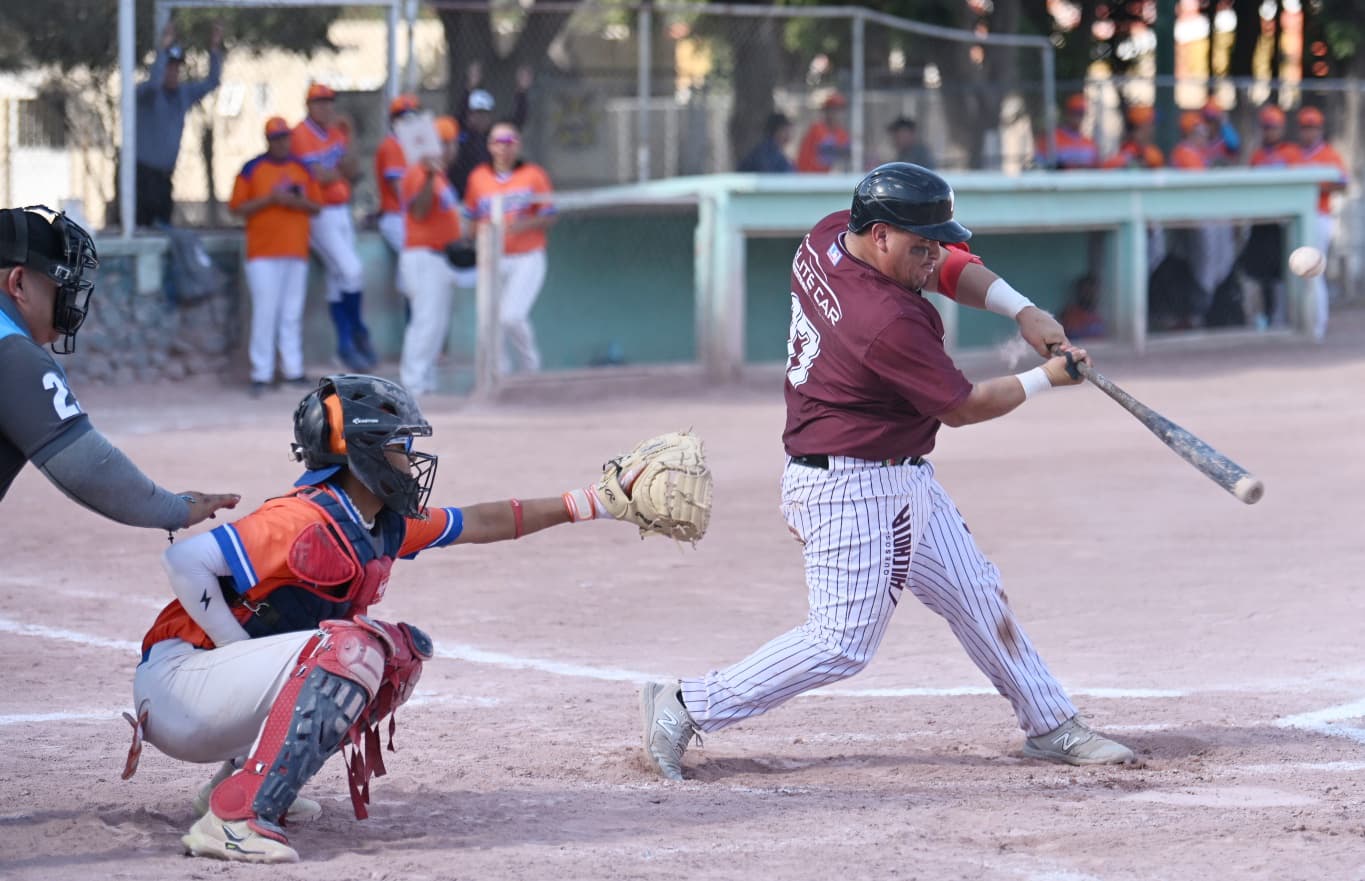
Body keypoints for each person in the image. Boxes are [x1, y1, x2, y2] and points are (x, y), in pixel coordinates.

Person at [639, 163, 1135, 782]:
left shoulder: (828, 234)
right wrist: (1048, 380)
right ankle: (685, 704)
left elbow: (950, 266)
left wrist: (1022, 309)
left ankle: (1051, 724)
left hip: (894, 473)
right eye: (917, 247)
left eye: (933, 244)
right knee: (841, 643)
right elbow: (961, 407)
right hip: (853, 487)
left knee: (977, 594)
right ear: (878, 235)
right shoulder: (884, 321)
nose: (931, 260)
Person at [132, 373, 658, 863]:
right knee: (351, 649)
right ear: (361, 454)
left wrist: (594, 502)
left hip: (216, 693)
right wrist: (230, 645)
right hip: (183, 687)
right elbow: (186, 560)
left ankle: (244, 782)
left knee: (396, 655)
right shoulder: (302, 517)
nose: (411, 459)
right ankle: (233, 822)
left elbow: (481, 520)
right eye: (399, 446)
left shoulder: (376, 521)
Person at [0, 206, 238, 528]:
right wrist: (177, 509)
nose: (68, 298)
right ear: (18, 283)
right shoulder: (13, 352)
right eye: (60, 285)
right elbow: (87, 468)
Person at [230, 117, 323, 397]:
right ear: (268, 140)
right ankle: (262, 372)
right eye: (276, 138)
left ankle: (292, 371)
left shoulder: (302, 168)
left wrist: (293, 201)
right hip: (262, 252)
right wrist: (270, 199)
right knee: (265, 311)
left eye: (284, 137)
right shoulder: (252, 168)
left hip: (295, 250)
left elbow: (316, 205)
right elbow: (236, 207)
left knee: (291, 313)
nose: (281, 142)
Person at [291, 83, 376, 371]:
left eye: (329, 102)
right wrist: (336, 171)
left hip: (342, 210)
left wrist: (348, 137)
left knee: (338, 280)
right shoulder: (300, 135)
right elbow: (317, 176)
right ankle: (357, 329)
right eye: (319, 102)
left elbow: (351, 169)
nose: (326, 107)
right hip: (318, 213)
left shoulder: (337, 132)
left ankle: (345, 347)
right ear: (309, 106)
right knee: (352, 270)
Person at [463, 121, 556, 374]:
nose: (503, 148)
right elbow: (471, 219)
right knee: (489, 325)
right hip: (492, 258)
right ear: (489, 146)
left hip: (527, 255)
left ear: (518, 145)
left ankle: (530, 370)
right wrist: (471, 239)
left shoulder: (533, 174)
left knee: (511, 316)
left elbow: (549, 215)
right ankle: (498, 379)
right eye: (498, 142)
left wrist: (521, 224)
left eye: (509, 142)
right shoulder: (478, 178)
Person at [133, 20, 224, 227]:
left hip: (165, 177)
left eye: (176, 68)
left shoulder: (183, 94)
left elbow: (212, 82)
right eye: (168, 68)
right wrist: (163, 50)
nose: (173, 73)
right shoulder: (146, 94)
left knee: (164, 229)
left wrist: (214, 49)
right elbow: (154, 83)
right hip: (142, 176)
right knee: (141, 228)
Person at [399, 116, 464, 395]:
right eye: (449, 144)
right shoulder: (419, 172)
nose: (453, 150)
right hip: (423, 255)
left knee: (436, 324)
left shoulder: (439, 176)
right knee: (425, 322)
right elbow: (419, 211)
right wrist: (428, 177)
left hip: (440, 257)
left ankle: (424, 380)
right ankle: (412, 384)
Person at [1242, 106, 1303, 330]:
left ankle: (1285, 317)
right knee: (1259, 272)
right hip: (1261, 221)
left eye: (1273, 127)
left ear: (1282, 128)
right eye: (1266, 127)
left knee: (1284, 272)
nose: (1269, 132)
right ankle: (1263, 318)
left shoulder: (1291, 153)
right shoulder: (1257, 155)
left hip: (1283, 222)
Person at [1295, 106, 1347, 341]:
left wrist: (1318, 185)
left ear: (1320, 130)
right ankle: (1301, 323)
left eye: (1313, 128)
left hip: (1319, 217)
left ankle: (1318, 325)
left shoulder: (1329, 154)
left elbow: (1344, 184)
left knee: (1313, 273)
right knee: (1299, 274)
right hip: (1295, 220)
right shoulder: (1293, 154)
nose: (1309, 133)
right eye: (1305, 128)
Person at [449, 62, 532, 198]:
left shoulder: (494, 133)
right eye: (476, 113)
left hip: (488, 193)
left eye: (484, 113)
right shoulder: (461, 131)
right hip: (460, 192)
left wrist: (522, 91)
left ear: (490, 115)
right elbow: (459, 114)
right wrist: (469, 87)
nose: (480, 118)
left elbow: (518, 120)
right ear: (469, 114)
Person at [374, 94, 421, 299]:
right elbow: (399, 189)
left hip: (412, 216)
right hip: (395, 216)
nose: (408, 121)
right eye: (403, 117)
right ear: (393, 121)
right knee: (412, 259)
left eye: (412, 116)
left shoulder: (416, 146)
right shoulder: (391, 145)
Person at [1035, 94, 1098, 170]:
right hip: (1058, 181)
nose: (1078, 118)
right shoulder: (1051, 139)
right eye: (1075, 113)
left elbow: (1096, 167)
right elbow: (1040, 165)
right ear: (1067, 113)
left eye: (1081, 114)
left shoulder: (1089, 143)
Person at [796, 93, 852, 173]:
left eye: (839, 110)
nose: (836, 114)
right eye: (833, 109)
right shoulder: (816, 129)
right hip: (809, 177)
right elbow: (827, 152)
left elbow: (847, 155)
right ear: (826, 111)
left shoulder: (842, 133)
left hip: (829, 179)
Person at [1201, 99, 1241, 166]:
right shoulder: (1199, 141)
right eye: (1206, 120)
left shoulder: (1224, 141)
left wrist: (1225, 124)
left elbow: (1234, 144)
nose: (1209, 125)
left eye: (1212, 120)